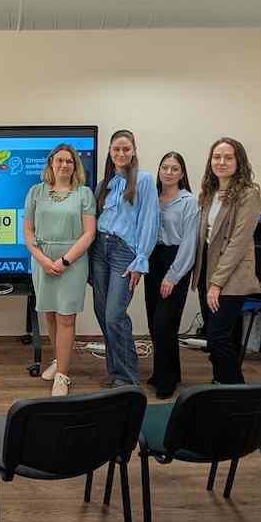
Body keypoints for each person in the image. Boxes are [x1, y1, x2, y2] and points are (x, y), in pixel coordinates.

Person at [23, 144, 96, 396]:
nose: (64, 165)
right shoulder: (35, 192)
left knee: (66, 317)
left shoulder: (84, 194)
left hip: (72, 263)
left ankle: (63, 376)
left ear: (75, 166)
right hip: (42, 261)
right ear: (51, 163)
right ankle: (58, 360)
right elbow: (28, 232)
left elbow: (89, 234)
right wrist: (43, 260)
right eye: (60, 160)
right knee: (51, 315)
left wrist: (64, 261)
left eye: (69, 161)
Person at [91, 130, 159, 387]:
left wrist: (141, 260)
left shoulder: (144, 180)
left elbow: (149, 220)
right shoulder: (103, 185)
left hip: (124, 252)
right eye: (116, 149)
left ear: (133, 151)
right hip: (99, 250)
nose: (121, 153)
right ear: (110, 152)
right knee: (102, 313)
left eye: (126, 149)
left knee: (114, 315)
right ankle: (115, 372)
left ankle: (128, 380)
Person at [192, 137, 261, 384]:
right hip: (207, 273)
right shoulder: (209, 194)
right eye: (216, 157)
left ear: (238, 161)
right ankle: (221, 385)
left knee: (217, 336)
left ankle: (236, 390)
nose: (221, 162)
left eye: (228, 157)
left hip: (232, 276)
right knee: (220, 339)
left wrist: (217, 283)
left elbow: (238, 243)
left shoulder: (248, 194)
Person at [144, 152, 199, 399]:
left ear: (182, 173)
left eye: (174, 168)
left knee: (164, 324)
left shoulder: (189, 201)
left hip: (176, 262)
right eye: (164, 167)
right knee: (154, 323)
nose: (168, 172)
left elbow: (189, 243)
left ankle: (166, 383)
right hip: (153, 261)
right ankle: (167, 373)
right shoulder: (152, 198)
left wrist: (173, 276)